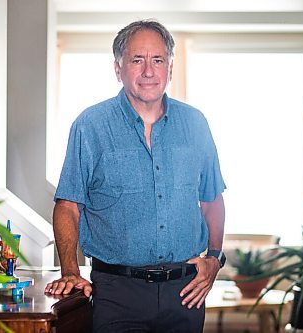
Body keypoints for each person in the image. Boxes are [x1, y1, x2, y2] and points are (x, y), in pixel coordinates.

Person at [45, 19, 226, 333]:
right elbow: (68, 206)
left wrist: (214, 258)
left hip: (186, 293)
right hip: (117, 293)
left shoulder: (196, 124)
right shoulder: (90, 126)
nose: (148, 71)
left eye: (157, 60)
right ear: (118, 69)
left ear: (169, 67)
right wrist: (70, 271)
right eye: (137, 60)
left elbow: (212, 199)